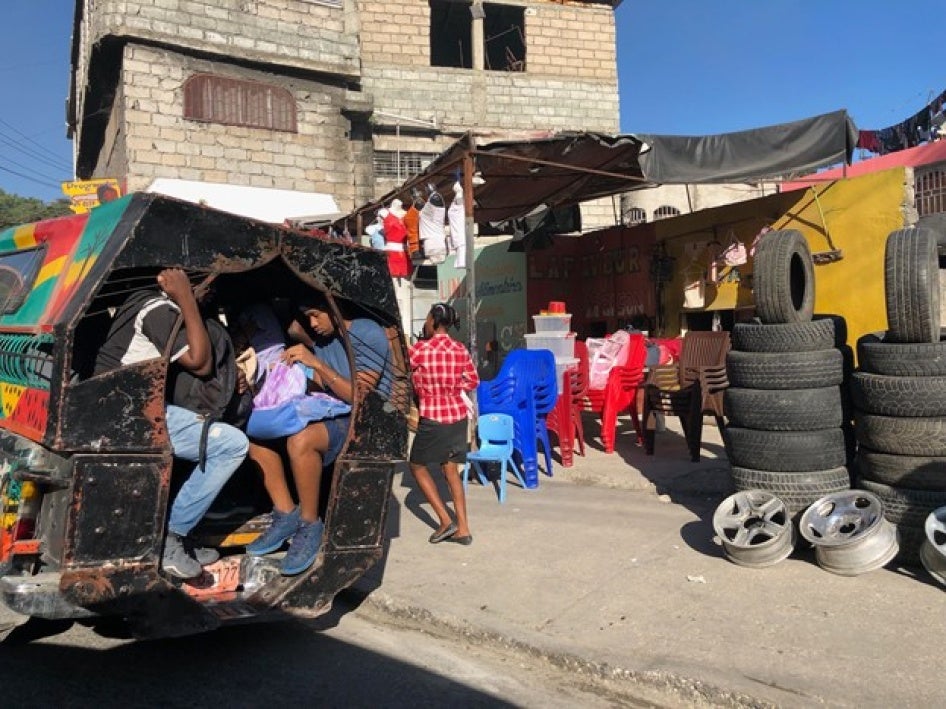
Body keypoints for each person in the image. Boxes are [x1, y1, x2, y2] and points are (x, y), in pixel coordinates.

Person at [94, 268, 250, 579]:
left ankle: (182, 533)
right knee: (231, 444)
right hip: (128, 413)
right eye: (204, 284)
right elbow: (201, 363)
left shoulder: (143, 303)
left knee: (203, 435)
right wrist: (187, 300)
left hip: (127, 407)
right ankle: (172, 537)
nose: (211, 293)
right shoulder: (156, 309)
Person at [246, 295, 393, 575]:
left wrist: (317, 364)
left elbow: (359, 397)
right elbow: (322, 386)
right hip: (332, 411)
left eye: (316, 315)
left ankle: (310, 524)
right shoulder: (322, 341)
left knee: (302, 441)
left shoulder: (364, 332)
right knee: (255, 436)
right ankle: (286, 513)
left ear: (334, 310)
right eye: (307, 318)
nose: (312, 324)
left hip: (362, 423)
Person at [408, 302, 479, 545]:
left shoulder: (420, 349)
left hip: (433, 417)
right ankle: (464, 528)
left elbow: (404, 370)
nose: (426, 322)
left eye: (427, 318)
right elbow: (473, 381)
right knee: (451, 471)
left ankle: (445, 521)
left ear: (433, 321)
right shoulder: (460, 349)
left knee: (416, 465)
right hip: (457, 417)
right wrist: (452, 388)